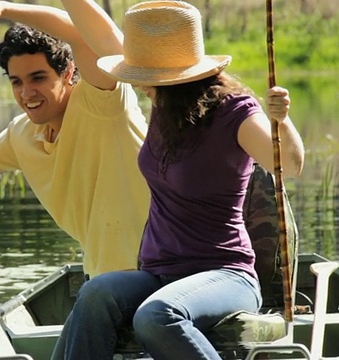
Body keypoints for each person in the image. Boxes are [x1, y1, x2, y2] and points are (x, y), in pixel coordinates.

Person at [50, 1, 306, 359]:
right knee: (95, 293)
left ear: (176, 80)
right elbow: (100, 35)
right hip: (159, 275)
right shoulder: (164, 104)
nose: (138, 85)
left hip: (226, 275)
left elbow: (289, 165)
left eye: (145, 77)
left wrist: (283, 120)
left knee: (156, 316)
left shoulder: (235, 112)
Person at [0, 1, 149, 278]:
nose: (27, 93)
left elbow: (82, 33)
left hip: (158, 272)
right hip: (101, 281)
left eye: (37, 78)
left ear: (67, 73)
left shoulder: (102, 101)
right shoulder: (22, 134)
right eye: (17, 82)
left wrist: (2, 8)